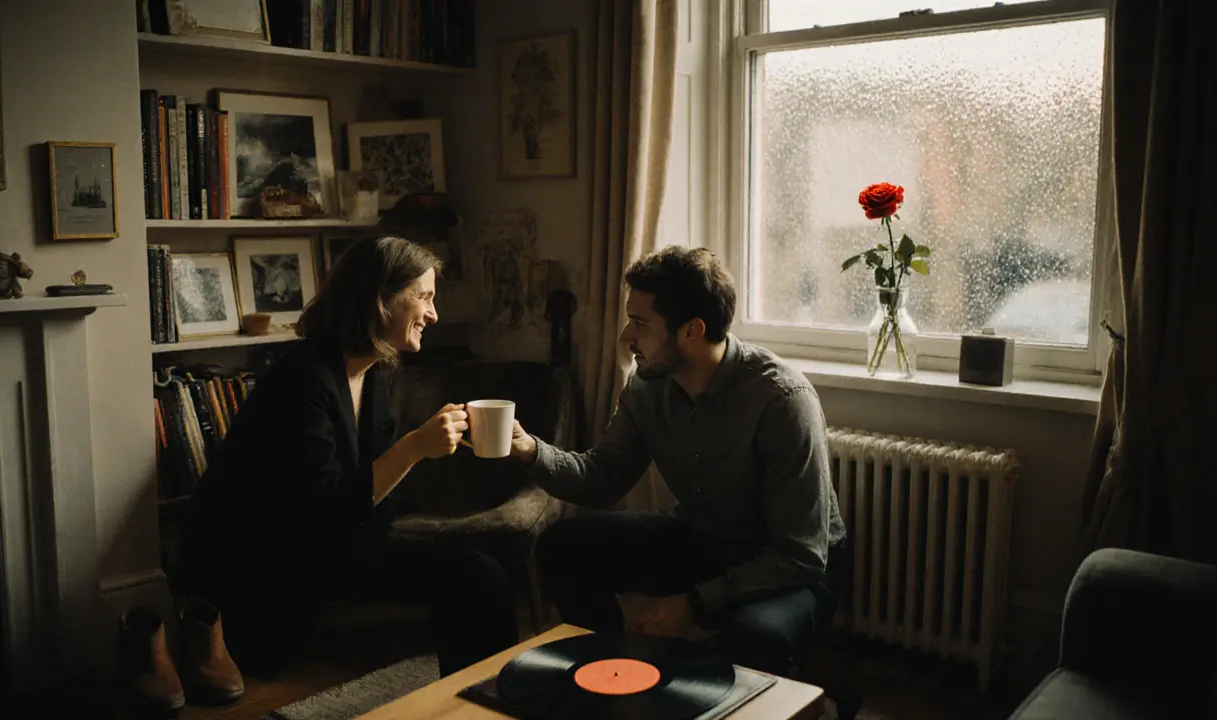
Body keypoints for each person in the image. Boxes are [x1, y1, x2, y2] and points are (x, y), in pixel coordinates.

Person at [176, 236, 519, 683]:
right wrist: (415, 447)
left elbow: (365, 494)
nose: (434, 314)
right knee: (469, 575)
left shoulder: (377, 370)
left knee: (478, 574)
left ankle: (489, 700)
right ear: (381, 300)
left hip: (336, 541)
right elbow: (323, 509)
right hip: (267, 561)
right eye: (425, 297)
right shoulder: (303, 380)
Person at [510, 246, 851, 692]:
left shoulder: (781, 400)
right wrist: (528, 450)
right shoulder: (648, 388)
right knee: (561, 547)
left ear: (692, 331)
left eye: (641, 324)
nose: (625, 337)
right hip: (702, 536)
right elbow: (600, 478)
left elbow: (801, 553)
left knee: (756, 636)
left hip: (792, 563)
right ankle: (618, 674)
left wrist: (691, 604)